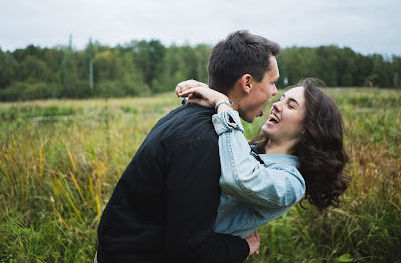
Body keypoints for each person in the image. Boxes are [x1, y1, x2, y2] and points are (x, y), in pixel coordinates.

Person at [96, 30, 281, 262]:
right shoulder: (205, 141)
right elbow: (188, 250)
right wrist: (242, 246)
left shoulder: (188, 115)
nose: (275, 92)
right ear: (247, 83)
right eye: (273, 82)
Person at [175, 78, 349, 238]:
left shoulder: (291, 183)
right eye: (281, 99)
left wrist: (223, 103)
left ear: (307, 128)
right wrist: (199, 93)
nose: (276, 105)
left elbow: (240, 178)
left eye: (291, 106)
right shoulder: (246, 149)